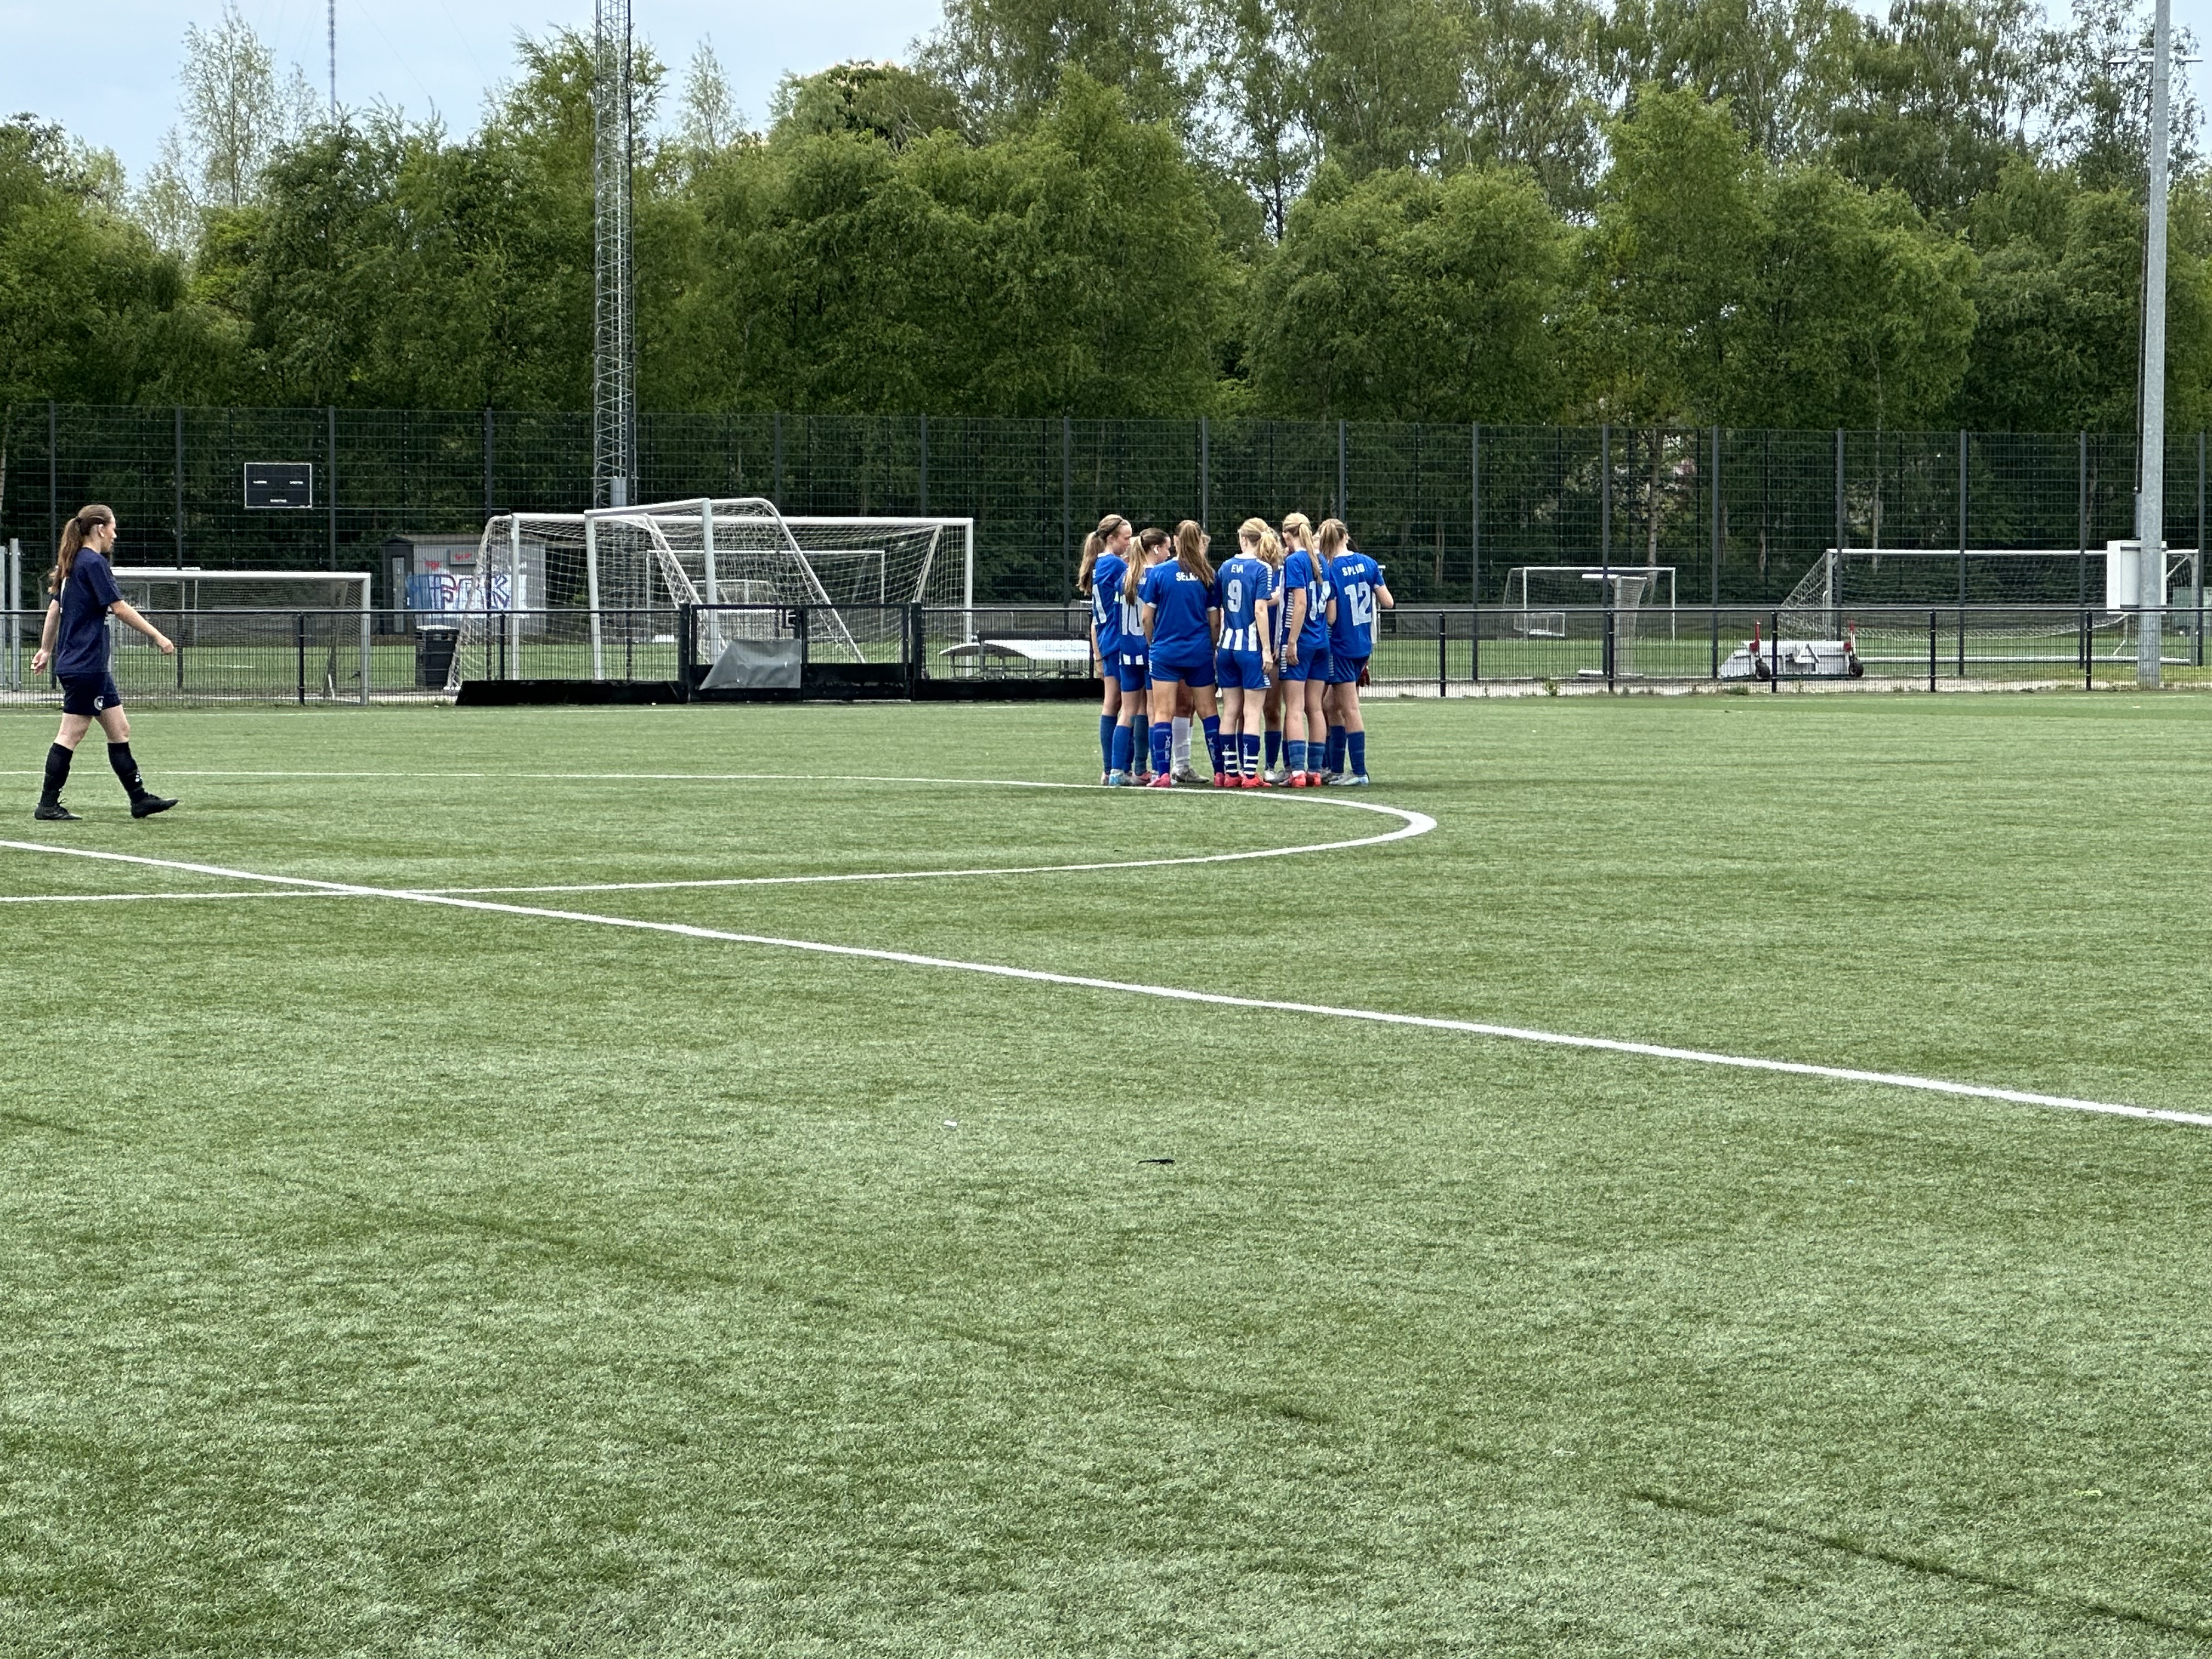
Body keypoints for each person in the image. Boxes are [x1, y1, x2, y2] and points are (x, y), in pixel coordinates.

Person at [30, 505, 177, 821]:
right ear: (99, 528)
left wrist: (45, 649)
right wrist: (158, 636)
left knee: (120, 729)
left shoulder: (71, 563)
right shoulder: (93, 563)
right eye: (113, 527)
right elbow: (120, 609)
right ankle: (47, 805)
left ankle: (139, 800)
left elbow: (54, 610)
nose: (115, 534)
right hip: (86, 665)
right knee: (71, 734)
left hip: (87, 664)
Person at [1137, 521, 1219, 788]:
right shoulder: (1208, 574)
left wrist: (1154, 643)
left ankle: (1163, 774)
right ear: (1200, 541)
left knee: (1163, 712)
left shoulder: (1160, 573)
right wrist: (1211, 646)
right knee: (1208, 712)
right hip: (1198, 652)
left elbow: (1147, 617)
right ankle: (1221, 772)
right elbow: (1215, 621)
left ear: (1175, 541)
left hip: (1165, 652)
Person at [1319, 517, 1391, 787]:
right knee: (1330, 705)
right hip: (1363, 644)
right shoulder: (1368, 563)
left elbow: (1332, 616)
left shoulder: (1329, 568)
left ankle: (1358, 771)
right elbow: (1388, 601)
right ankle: (1336, 768)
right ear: (1346, 536)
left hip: (1341, 645)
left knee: (1348, 708)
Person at [1214, 519, 1279, 787]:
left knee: (1230, 711)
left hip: (1227, 646)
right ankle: (1250, 775)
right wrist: (1266, 650)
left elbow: (1221, 607)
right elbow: (1260, 609)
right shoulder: (1262, 568)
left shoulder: (1225, 566)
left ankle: (1230, 774)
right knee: (1252, 712)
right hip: (1250, 648)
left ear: (1242, 540)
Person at [1078, 514, 1134, 783]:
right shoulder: (1114, 564)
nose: (1130, 542)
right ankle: (1119, 768)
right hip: (1120, 639)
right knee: (1128, 704)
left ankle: (1109, 768)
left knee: (1112, 702)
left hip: (1108, 639)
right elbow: (1137, 584)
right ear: (1112, 539)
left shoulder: (1100, 564)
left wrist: (1098, 654)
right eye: (1126, 538)